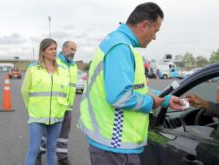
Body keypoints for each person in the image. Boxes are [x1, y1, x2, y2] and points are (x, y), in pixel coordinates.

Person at [77, 2, 185, 165]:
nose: (154, 37)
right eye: (155, 31)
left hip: (113, 145)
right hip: (114, 146)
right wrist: (151, 102)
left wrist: (166, 99)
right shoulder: (121, 47)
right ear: (144, 25)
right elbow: (120, 97)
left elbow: (137, 89)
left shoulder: (119, 43)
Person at [21, 38, 69, 165]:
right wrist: (30, 107)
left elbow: (66, 91)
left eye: (55, 48)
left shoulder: (62, 70)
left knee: (52, 149)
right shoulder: (33, 70)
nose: (54, 52)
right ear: (43, 52)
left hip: (57, 116)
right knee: (34, 149)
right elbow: (24, 91)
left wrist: (62, 109)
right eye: (50, 49)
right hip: (37, 116)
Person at [37, 41, 77, 165]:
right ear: (64, 49)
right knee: (46, 133)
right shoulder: (56, 62)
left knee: (64, 135)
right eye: (71, 49)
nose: (73, 52)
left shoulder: (74, 66)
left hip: (67, 106)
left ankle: (62, 157)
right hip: (54, 105)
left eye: (75, 50)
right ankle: (38, 153)